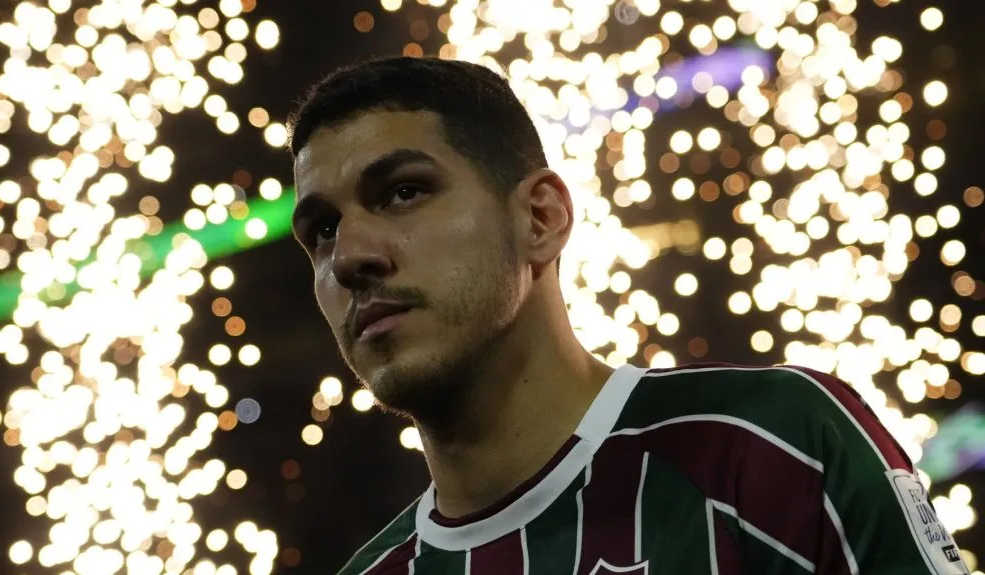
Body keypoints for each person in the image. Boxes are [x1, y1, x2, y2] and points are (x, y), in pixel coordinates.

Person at [285, 56, 969, 574]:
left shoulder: (773, 443)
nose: (349, 256)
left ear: (541, 218)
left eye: (404, 192)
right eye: (320, 231)